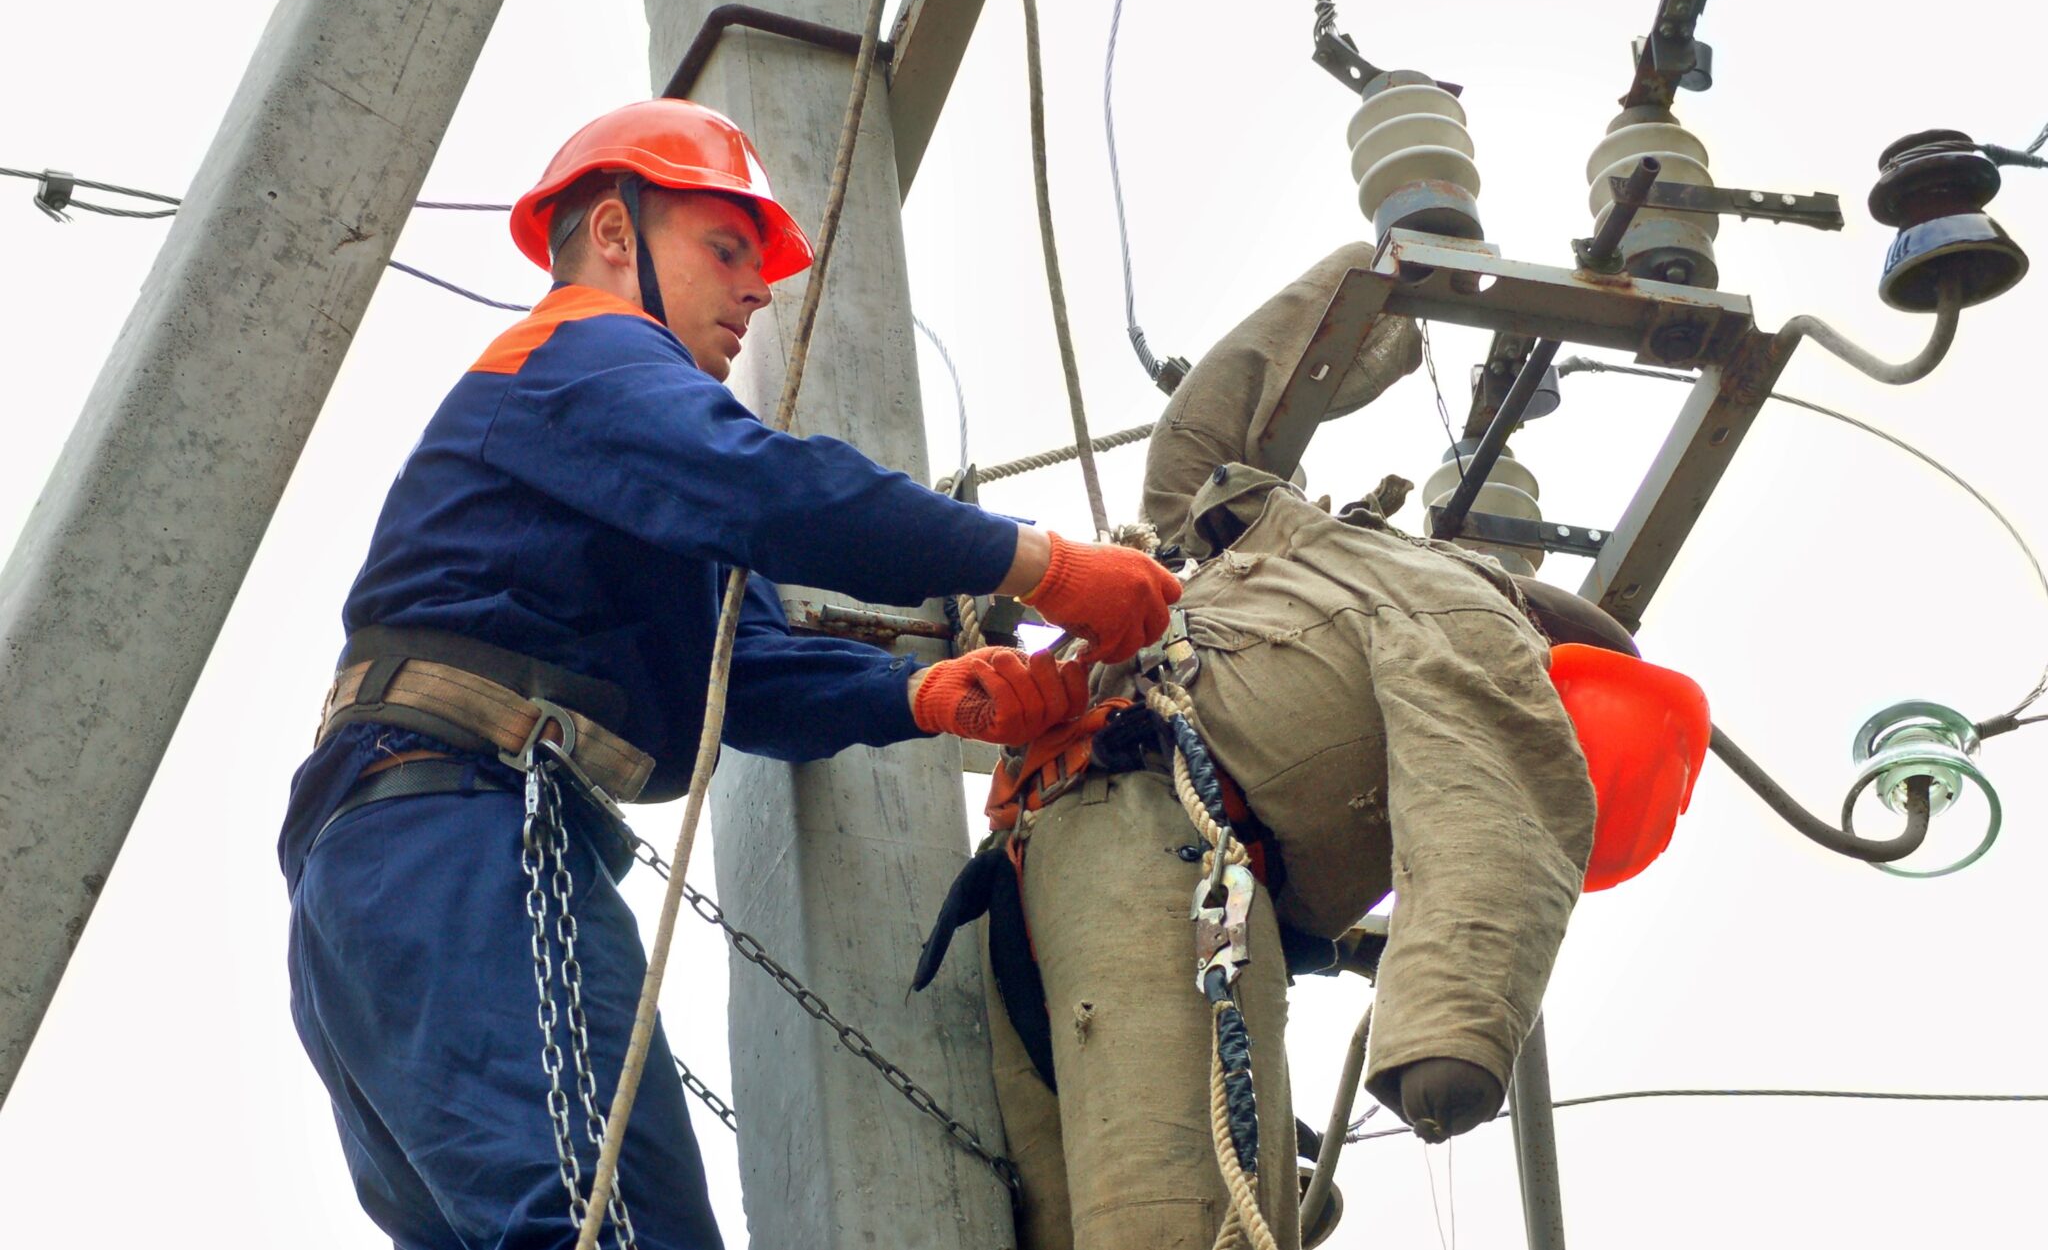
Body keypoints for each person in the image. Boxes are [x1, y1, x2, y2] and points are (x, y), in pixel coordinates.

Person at [280, 97, 1183, 1250]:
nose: (757, 292)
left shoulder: (635, 454)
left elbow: (741, 669)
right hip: (452, 831)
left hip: (412, 855)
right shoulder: (580, 352)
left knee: (621, 1223)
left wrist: (924, 694)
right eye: (724, 249)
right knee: (597, 1223)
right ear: (613, 235)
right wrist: (1043, 563)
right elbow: (778, 491)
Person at [921, 244, 1601, 1249]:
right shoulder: (1288, 555)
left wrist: (1451, 1025)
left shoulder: (1458, 614)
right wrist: (1364, 298)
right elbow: (1201, 431)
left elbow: (1487, 809)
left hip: (1168, 871)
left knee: (1157, 1224)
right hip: (1044, 872)